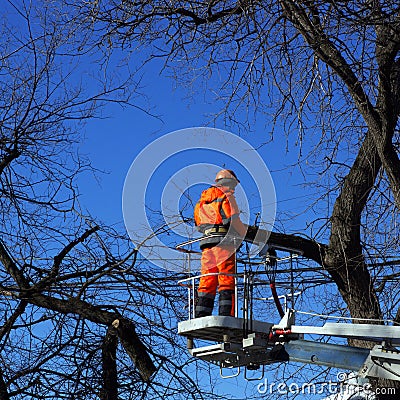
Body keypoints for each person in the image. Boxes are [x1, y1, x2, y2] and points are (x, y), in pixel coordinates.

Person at [193, 169, 249, 318]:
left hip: (206, 244)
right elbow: (233, 220)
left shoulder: (202, 201)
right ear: (230, 183)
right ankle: (227, 314)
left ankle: (201, 315)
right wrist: (243, 234)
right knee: (226, 278)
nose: (234, 189)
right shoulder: (227, 197)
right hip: (224, 244)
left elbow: (198, 224)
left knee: (207, 279)